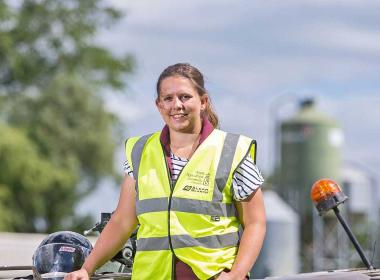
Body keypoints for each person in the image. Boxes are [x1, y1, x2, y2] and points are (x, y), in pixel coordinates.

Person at [65, 63, 266, 280]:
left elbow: (256, 222)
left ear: (203, 102)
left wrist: (236, 275)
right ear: (159, 105)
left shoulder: (232, 150)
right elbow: (122, 221)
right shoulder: (140, 151)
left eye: (185, 97)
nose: (176, 105)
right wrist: (87, 268)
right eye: (168, 98)